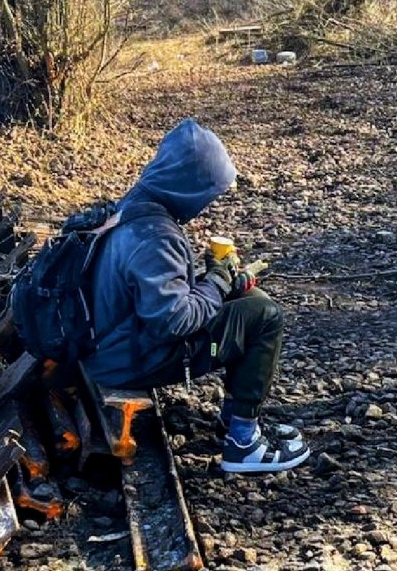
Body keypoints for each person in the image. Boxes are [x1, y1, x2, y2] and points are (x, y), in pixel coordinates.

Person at [83, 118, 311, 474]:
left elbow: (151, 294)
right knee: (264, 315)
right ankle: (242, 443)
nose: (207, 203)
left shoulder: (129, 208)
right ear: (188, 187)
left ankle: (234, 419)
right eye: (208, 193)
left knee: (246, 302)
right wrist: (218, 282)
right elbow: (173, 321)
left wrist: (218, 282)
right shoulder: (157, 236)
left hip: (103, 343)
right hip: (125, 361)